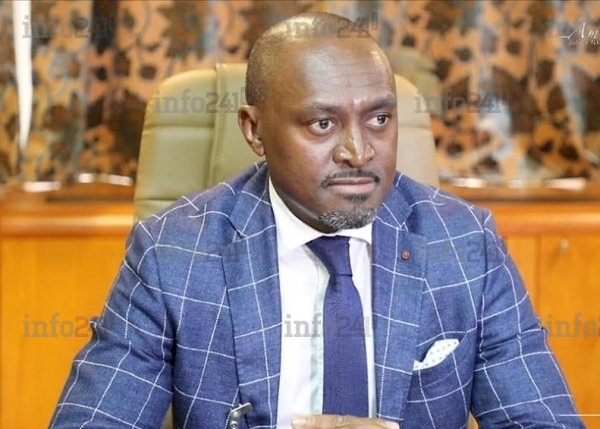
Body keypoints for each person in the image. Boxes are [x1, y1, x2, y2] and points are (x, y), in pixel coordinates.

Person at [50, 12, 583, 429]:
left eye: (379, 119)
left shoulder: (465, 244)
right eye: (322, 124)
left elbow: (540, 418)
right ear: (254, 132)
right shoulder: (173, 252)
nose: (358, 151)